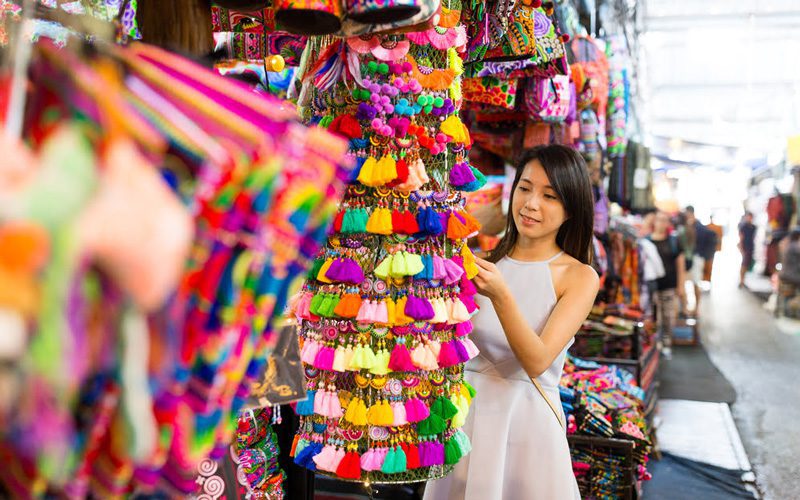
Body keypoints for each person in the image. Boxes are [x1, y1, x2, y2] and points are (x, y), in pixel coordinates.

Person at [424, 145, 599, 500]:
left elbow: (537, 361)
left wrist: (502, 296)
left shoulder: (579, 276)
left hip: (527, 427)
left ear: (571, 209)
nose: (531, 204)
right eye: (525, 188)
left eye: (549, 196)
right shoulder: (482, 264)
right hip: (465, 421)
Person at [648, 211, 685, 359]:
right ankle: (655, 344)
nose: (662, 223)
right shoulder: (646, 241)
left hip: (669, 285)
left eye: (665, 220)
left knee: (668, 317)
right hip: (651, 286)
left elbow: (680, 265)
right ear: (654, 221)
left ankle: (666, 343)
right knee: (654, 317)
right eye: (659, 220)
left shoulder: (673, 241)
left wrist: (680, 286)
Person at [683, 206, 717, 315]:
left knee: (695, 283)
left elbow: (712, 237)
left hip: (696, 258)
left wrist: (705, 255)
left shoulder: (698, 227)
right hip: (688, 258)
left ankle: (696, 308)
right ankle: (687, 307)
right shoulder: (688, 225)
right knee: (686, 282)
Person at [738, 212, 756, 288]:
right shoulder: (743, 226)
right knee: (744, 264)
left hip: (750, 247)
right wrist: (741, 249)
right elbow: (741, 238)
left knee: (747, 264)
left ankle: (743, 280)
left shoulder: (753, 227)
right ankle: (741, 281)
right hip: (745, 247)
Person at [705, 215, 723, 281]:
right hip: (708, 248)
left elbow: (719, 238)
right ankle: (706, 279)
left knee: (710, 264)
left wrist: (718, 247)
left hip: (712, 248)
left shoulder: (717, 227)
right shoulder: (707, 227)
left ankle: (708, 279)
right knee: (707, 264)